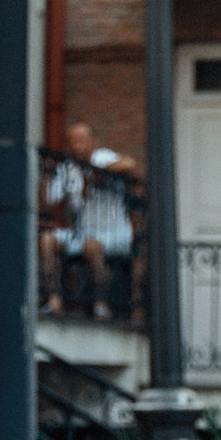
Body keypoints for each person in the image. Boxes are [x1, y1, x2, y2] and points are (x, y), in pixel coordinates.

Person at [40, 121, 141, 318]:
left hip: (115, 233)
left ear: (93, 142)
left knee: (91, 245)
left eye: (82, 141)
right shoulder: (68, 168)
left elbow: (130, 163)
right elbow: (49, 199)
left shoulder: (103, 157)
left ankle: (100, 304)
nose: (77, 146)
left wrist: (96, 173)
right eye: (72, 142)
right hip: (83, 233)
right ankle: (54, 299)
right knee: (47, 240)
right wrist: (49, 174)